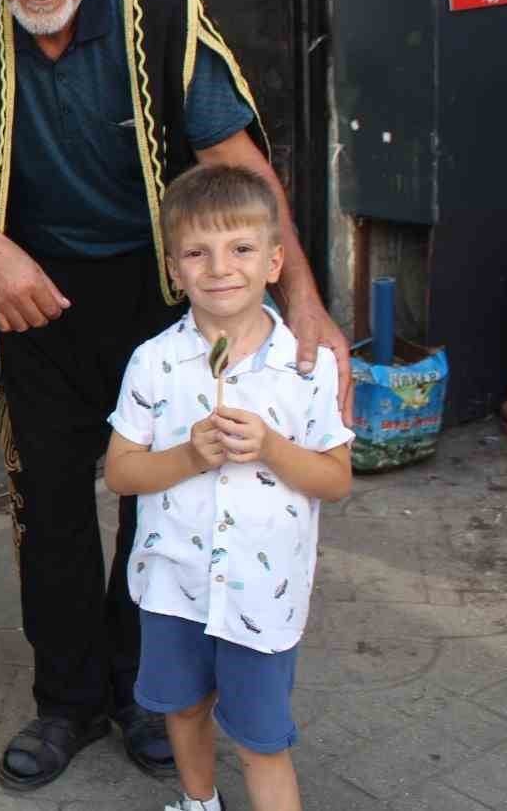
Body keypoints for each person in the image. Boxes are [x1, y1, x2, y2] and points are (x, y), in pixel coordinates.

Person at [0, 0, 352, 791]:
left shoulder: (164, 14)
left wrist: (305, 301)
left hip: (162, 296)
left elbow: (242, 175)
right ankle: (68, 700)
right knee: (46, 507)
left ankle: (145, 690)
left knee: (163, 496)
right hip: (31, 299)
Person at [105, 164, 352, 811]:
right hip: (173, 585)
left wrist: (271, 448)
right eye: (197, 252)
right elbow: (121, 471)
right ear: (174, 268)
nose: (220, 268)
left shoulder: (307, 368)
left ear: (275, 262)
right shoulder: (154, 363)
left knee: (262, 738)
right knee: (183, 711)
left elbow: (335, 479)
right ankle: (198, 802)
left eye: (241, 249)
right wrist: (189, 454)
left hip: (260, 599)